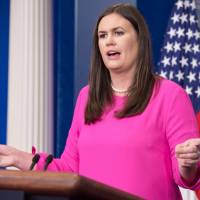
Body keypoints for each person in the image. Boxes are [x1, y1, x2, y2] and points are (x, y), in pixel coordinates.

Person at [0, 3, 200, 199]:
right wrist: (20, 158)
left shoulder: (170, 95)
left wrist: (187, 164)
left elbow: (187, 176)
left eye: (118, 33)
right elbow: (70, 169)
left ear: (140, 40)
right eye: (102, 35)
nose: (109, 41)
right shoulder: (87, 97)